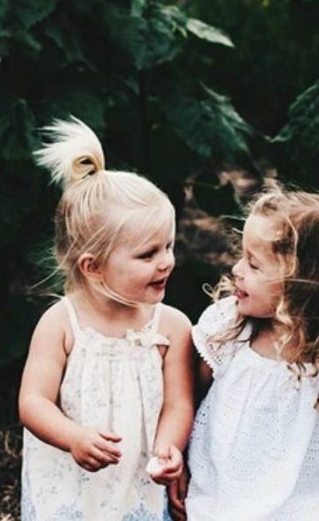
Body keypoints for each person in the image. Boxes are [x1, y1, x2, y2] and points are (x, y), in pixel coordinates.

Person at [170, 184, 319, 521]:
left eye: (254, 264)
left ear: (304, 285)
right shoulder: (228, 330)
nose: (236, 269)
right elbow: (189, 398)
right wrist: (179, 461)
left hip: (301, 505)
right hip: (217, 494)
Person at [19, 118, 194, 520]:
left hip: (137, 480)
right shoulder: (61, 323)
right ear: (93, 267)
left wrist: (169, 447)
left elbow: (178, 402)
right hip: (71, 476)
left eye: (168, 245)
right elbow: (33, 401)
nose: (167, 261)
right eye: (147, 254)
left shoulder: (171, 326)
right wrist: (74, 437)